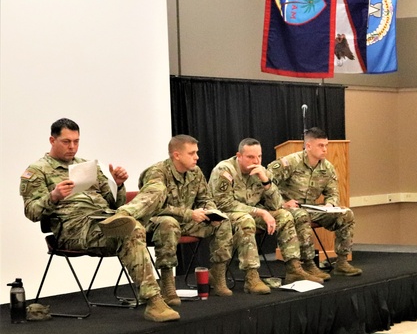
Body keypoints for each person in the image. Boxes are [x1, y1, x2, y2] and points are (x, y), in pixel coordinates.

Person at [19, 118, 178, 322]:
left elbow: (114, 202)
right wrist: (54, 196)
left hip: (107, 218)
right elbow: (31, 212)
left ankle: (167, 284)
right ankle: (154, 301)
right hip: (76, 228)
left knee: (161, 202)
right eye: (66, 141)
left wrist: (118, 185)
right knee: (130, 229)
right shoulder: (37, 171)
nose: (72, 147)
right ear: (52, 140)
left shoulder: (87, 166)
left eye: (76, 141)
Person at [208, 138, 325, 294]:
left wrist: (266, 182)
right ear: (239, 155)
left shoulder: (260, 171)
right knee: (246, 220)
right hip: (225, 214)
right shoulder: (225, 170)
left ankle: (294, 269)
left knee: (284, 215)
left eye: (259, 156)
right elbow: (224, 204)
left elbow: (276, 205)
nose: (256, 161)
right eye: (250, 157)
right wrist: (261, 212)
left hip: (252, 212)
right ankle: (251, 277)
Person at [138, 135, 235, 305]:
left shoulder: (195, 172)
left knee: (224, 222)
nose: (197, 157)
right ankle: (167, 284)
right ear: (177, 155)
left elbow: (205, 198)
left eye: (196, 152)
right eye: (192, 153)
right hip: (157, 223)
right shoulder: (157, 173)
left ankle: (217, 275)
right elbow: (152, 206)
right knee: (169, 223)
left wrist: (212, 212)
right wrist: (189, 214)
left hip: (187, 222)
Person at [267, 127, 362, 277]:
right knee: (301, 215)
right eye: (320, 145)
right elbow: (266, 183)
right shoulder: (290, 162)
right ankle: (309, 264)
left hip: (311, 208)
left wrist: (330, 205)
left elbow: (333, 192)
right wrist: (282, 203)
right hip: (288, 209)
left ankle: (342, 262)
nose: (325, 150)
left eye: (326, 145)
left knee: (346, 214)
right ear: (308, 146)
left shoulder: (327, 167)